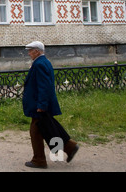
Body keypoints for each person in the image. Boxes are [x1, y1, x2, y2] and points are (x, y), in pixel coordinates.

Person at [22, 41, 79, 169]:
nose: (29, 53)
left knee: (36, 132)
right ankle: (70, 147)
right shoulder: (43, 62)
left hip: (39, 105)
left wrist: (42, 105)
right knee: (50, 129)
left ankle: (39, 160)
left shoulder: (39, 64)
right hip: (40, 104)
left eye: (30, 50)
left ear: (37, 51)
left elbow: (44, 86)